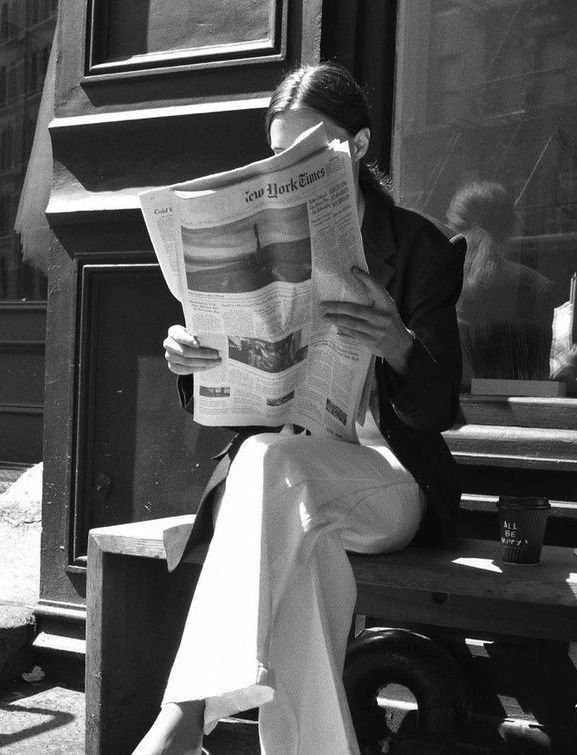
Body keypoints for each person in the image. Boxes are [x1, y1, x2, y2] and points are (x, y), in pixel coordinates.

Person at [134, 62, 465, 755]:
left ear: (359, 146)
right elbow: (230, 406)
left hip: (388, 481)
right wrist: (197, 360)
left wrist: (398, 344)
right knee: (303, 574)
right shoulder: (268, 238)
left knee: (268, 461)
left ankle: (184, 712)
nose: (291, 163)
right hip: (287, 490)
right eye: (279, 151)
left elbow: (437, 408)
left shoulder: (418, 247)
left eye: (309, 147)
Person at [446, 181, 554, 386]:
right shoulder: (535, 287)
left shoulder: (431, 282)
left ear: (451, 226)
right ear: (510, 230)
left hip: (440, 410)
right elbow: (535, 379)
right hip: (511, 413)